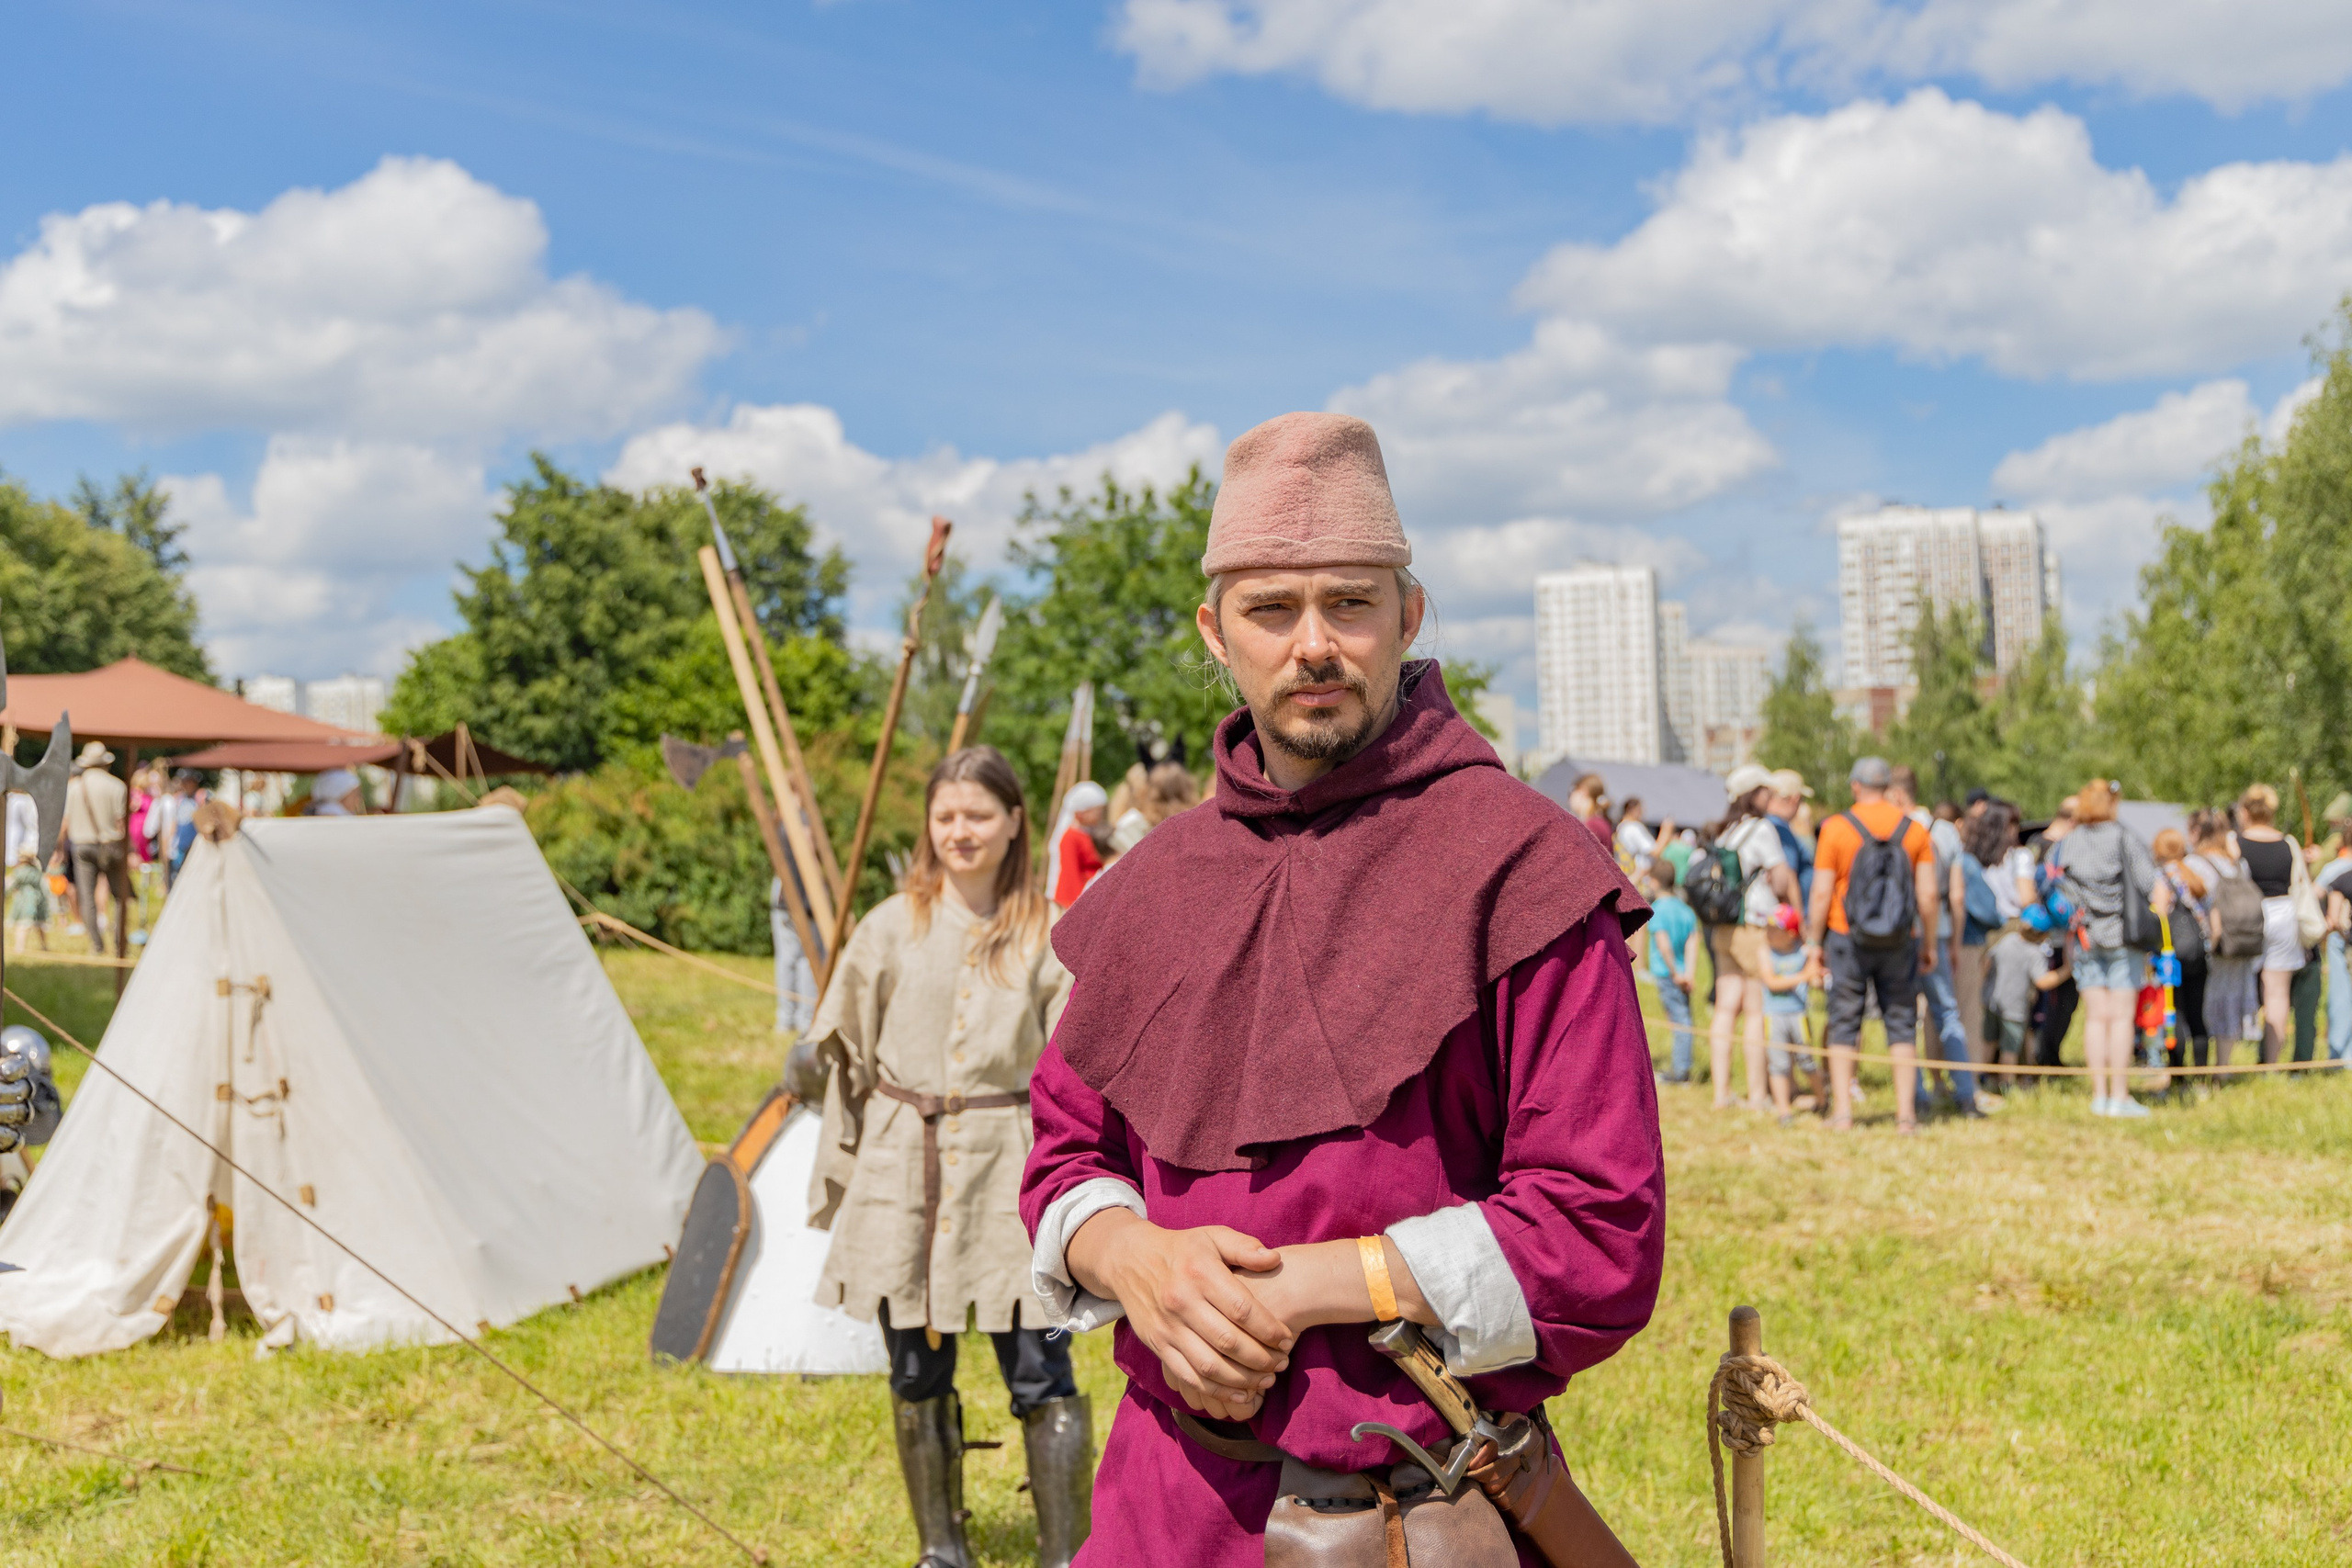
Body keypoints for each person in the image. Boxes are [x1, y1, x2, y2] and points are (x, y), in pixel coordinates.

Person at [1022, 412, 1661, 1565]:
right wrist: (1135, 1261)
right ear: (1216, 633)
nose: (1313, 644)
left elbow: (1598, 1233)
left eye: (1349, 604)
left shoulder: (1523, 869)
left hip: (1418, 1518)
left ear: (1407, 617)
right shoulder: (1151, 886)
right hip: (1159, 1514)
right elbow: (1064, 1159)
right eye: (1272, 610)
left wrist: (1311, 1287)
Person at [799, 746, 1090, 1568]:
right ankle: (941, 1549)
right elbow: (842, 1039)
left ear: (1013, 823)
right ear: (929, 824)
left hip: (1008, 1167)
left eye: (977, 815)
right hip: (904, 1171)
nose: (960, 831)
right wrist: (810, 1067)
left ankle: (1066, 1553)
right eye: (946, 815)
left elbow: (1074, 1062)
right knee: (916, 1368)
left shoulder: (1046, 928)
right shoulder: (893, 923)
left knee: (1041, 1367)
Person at [1802, 755, 1939, 1133]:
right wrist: (1929, 942)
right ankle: (1906, 1117)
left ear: (1856, 787)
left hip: (1847, 936)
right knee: (1901, 1022)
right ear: (1890, 789)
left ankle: (1843, 1113)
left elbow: (1820, 893)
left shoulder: (1835, 828)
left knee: (1845, 1020)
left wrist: (1815, 943)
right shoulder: (1914, 831)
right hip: (1900, 939)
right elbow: (1928, 896)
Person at [2051, 780, 2159, 1118]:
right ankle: (2120, 1095)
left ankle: (2099, 1095)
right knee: (2122, 1018)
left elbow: (2058, 887)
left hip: (2084, 939)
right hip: (2123, 938)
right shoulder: (2123, 837)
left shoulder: (2069, 842)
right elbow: (2150, 883)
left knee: (2096, 1018)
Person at [1702, 763, 1799, 1111]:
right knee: (1756, 1011)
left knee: (1726, 1008)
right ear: (1754, 795)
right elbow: (1781, 879)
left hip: (1723, 928)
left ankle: (1721, 1093)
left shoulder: (1725, 831)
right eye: (1766, 791)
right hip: (1753, 926)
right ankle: (1759, 1095)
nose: (1771, 797)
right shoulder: (1761, 830)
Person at [1889, 768, 1978, 1120]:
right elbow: (1956, 896)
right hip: (1937, 932)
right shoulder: (1944, 832)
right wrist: (1954, 942)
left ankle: (1917, 1097)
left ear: (1897, 795)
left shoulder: (1890, 828)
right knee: (1948, 1014)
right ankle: (1966, 1095)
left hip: (1897, 934)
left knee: (1904, 1018)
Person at [2233, 784, 2306, 1066]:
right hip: (2284, 915)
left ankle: (2229, 1056)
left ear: (2245, 811)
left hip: (2247, 916)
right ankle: (2271, 1064)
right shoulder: (2288, 843)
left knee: (2238, 983)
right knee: (2277, 993)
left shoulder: (2235, 842)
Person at [2184, 808, 2258, 1069]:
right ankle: (2222, 1069)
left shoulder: (2194, 864)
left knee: (2201, 1008)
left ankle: (2198, 1068)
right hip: (2238, 942)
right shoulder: (2239, 864)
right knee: (2230, 1003)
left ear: (2196, 832)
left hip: (2209, 944)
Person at [2151, 828, 2213, 1074]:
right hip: (2199, 953)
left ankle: (2177, 1073)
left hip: (2173, 955)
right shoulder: (2194, 874)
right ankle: (2201, 1074)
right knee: (2197, 1015)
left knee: (2174, 1013)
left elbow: (2160, 913)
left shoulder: (2164, 876)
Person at [64, 740, 132, 959]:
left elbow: (64, 822)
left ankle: (96, 944)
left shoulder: (73, 787)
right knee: (121, 897)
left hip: (82, 845)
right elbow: (122, 823)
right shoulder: (118, 786)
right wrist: (131, 850)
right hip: (111, 844)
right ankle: (119, 942)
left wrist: (58, 848)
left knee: (87, 896)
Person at [1758, 904, 1816, 1122]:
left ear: (1791, 934)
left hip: (1798, 1016)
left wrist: (1814, 970)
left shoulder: (1803, 952)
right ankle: (1784, 1111)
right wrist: (1803, 976)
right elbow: (1771, 982)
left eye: (1775, 928)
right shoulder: (1764, 952)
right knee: (1778, 1064)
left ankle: (1822, 1099)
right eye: (1768, 927)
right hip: (1773, 1017)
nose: (1769, 932)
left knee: (1807, 1061)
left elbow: (1817, 976)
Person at [1644, 862, 1701, 1084]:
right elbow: (1692, 943)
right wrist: (1689, 972)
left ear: (1655, 881)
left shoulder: (1658, 910)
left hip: (1668, 975)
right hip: (1682, 974)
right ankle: (1683, 1065)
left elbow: (1664, 945)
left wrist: (1675, 972)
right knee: (1682, 1018)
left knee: (1679, 1021)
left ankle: (1680, 1071)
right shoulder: (1684, 909)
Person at [2318, 823, 2352, 1063]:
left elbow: (2314, 894)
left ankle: (2341, 1056)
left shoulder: (2336, 872)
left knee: (2341, 997)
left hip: (2342, 939)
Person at [1047, 780, 1109, 909]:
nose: (1100, 815)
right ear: (1081, 814)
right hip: (1079, 900)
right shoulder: (1070, 838)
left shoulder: (1090, 833)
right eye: (1097, 811)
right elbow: (1070, 876)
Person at [1765, 770, 1815, 905]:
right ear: (1795, 799)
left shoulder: (1768, 824)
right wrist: (1798, 922)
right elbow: (1789, 878)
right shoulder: (1780, 828)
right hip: (1792, 915)